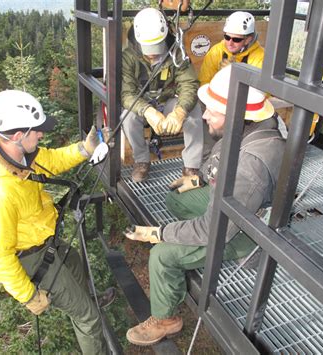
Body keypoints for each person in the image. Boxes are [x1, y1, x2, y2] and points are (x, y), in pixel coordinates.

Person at [123, 65, 286, 346]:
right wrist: (198, 181)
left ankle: (166, 319)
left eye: (213, 109)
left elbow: (212, 229)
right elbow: (221, 166)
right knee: (176, 196)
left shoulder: (250, 165)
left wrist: (160, 234)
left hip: (244, 233)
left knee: (162, 256)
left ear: (236, 115)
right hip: (231, 204)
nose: (205, 113)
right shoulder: (249, 130)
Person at [0, 90, 111, 354]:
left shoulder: (19, 157)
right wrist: (29, 296)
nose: (42, 135)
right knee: (88, 318)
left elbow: (53, 160)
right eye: (37, 131)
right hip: (31, 259)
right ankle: (87, 312)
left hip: (46, 244)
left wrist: (85, 148)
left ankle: (86, 300)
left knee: (75, 261)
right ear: (18, 136)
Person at [122, 7, 206, 182]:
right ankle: (141, 160)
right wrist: (148, 111)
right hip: (142, 105)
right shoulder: (128, 57)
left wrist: (180, 111)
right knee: (128, 118)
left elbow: (189, 84)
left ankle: (191, 166)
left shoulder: (176, 52)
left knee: (194, 110)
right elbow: (127, 94)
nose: (152, 53)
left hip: (165, 100)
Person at [198, 11, 265, 86]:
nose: (230, 43)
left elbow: (260, 89)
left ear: (248, 40)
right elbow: (205, 81)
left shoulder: (260, 57)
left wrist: (235, 73)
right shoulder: (216, 51)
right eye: (227, 37)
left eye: (236, 39)